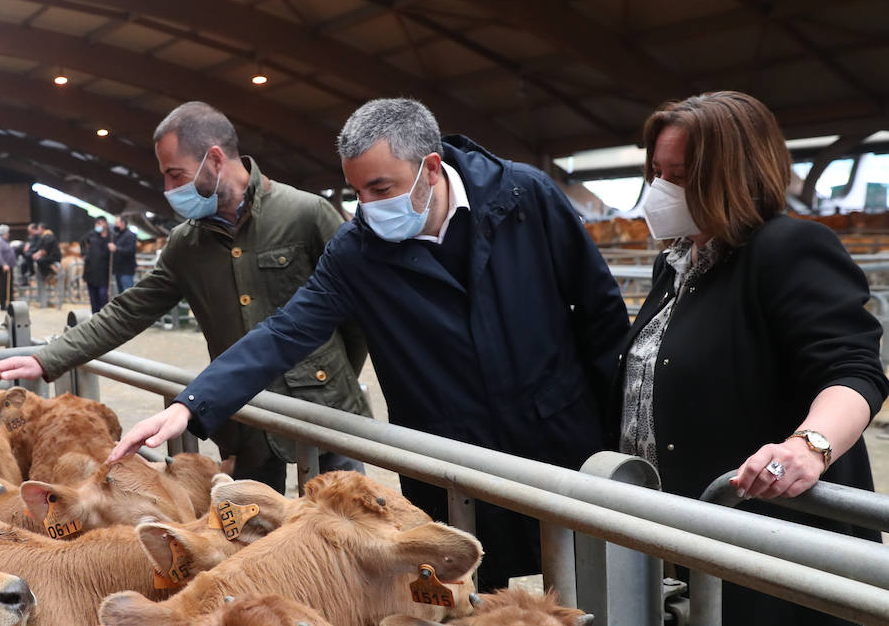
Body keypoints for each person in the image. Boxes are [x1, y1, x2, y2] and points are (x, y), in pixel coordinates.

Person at [105, 97, 629, 587]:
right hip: (447, 455)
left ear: (430, 167)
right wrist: (192, 404)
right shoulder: (358, 251)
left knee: (582, 585)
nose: (367, 207)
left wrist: (616, 427)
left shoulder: (522, 198)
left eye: (380, 188)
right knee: (468, 597)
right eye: (356, 192)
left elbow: (599, 309)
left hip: (554, 439)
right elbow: (287, 330)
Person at [611, 91, 887, 626]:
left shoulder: (786, 249)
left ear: (731, 175)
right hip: (676, 526)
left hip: (736, 518)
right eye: (658, 171)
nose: (661, 188)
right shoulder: (681, 261)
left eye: (680, 176)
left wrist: (810, 445)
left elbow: (853, 368)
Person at [0, 101, 372, 491]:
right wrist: (47, 358)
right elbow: (129, 310)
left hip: (323, 407)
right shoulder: (186, 244)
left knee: (345, 511)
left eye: (176, 175)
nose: (170, 190)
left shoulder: (305, 214)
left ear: (215, 159)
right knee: (253, 517)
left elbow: (357, 312)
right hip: (244, 413)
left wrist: (335, 373)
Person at [82, 218, 112, 313]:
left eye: (100, 223)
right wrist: (84, 254)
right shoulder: (91, 234)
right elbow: (82, 243)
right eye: (97, 223)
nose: (98, 225)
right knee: (93, 297)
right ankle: (95, 315)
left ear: (105, 224)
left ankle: (104, 314)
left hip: (103, 271)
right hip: (91, 270)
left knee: (103, 295)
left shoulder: (110, 237)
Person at [33, 226, 62, 306]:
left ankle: (48, 273)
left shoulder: (47, 237)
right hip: (53, 256)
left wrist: (37, 255)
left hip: (53, 257)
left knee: (40, 261)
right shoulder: (49, 237)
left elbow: (44, 250)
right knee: (40, 260)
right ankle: (46, 274)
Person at [0, 225, 15, 310]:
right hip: (1, 267)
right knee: (3, 286)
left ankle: (10, 304)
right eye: (8, 232)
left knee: (8, 286)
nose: (9, 234)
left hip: (7, 267)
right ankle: (3, 304)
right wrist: (3, 264)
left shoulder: (3, 240)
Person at [110, 217, 137, 294]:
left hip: (126, 270)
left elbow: (131, 251)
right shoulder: (117, 235)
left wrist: (116, 249)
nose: (115, 225)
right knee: (121, 293)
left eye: (116, 223)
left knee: (127, 293)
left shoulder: (130, 235)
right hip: (118, 270)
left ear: (123, 224)